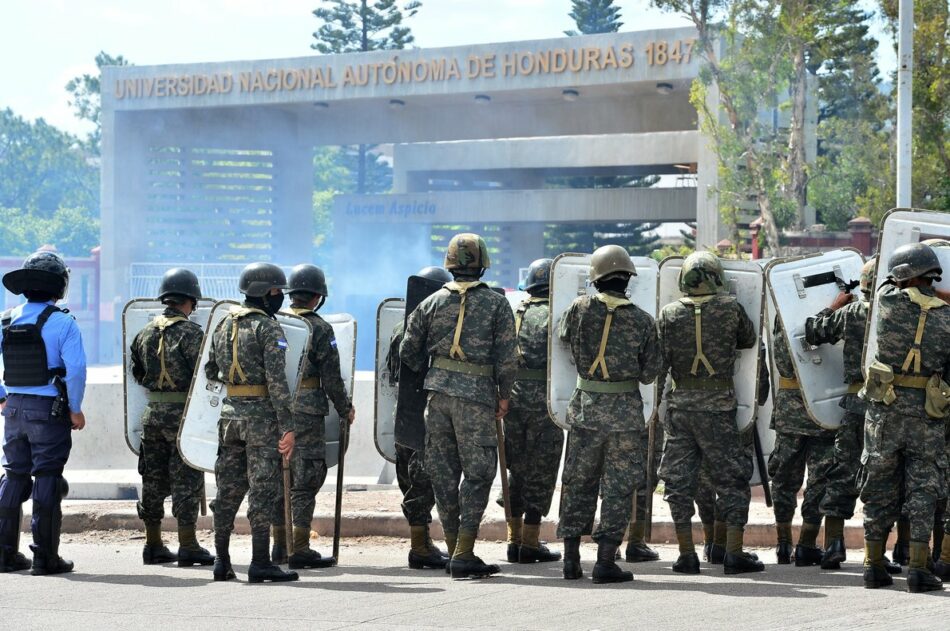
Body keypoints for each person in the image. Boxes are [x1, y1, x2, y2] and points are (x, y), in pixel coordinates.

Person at [399, 233, 518, 578]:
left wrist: (436, 369)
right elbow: (508, 358)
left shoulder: (431, 302)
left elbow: (408, 352)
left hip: (436, 398)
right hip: (477, 399)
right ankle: (464, 553)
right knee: (478, 474)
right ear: (482, 263)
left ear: (450, 263)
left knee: (443, 475)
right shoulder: (496, 304)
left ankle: (454, 550)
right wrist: (504, 394)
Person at [557, 244, 660, 584]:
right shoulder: (643, 321)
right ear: (627, 280)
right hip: (625, 418)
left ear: (596, 279)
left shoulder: (579, 308)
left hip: (586, 411)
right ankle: (604, 563)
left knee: (577, 483)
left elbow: (563, 338)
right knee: (618, 489)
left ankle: (570, 560)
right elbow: (649, 374)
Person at [657, 251, 763, 575]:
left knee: (678, 481)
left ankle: (686, 553)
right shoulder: (730, 308)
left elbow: (659, 364)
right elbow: (749, 339)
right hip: (718, 407)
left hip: (681, 409)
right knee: (731, 479)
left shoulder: (669, 314)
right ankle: (733, 552)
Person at [861, 243, 950, 593]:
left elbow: (880, 286)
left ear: (902, 276)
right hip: (928, 417)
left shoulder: (885, 304)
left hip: (885, 411)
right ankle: (917, 568)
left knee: (879, 485)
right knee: (924, 489)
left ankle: (873, 564)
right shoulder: (946, 317)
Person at [204, 262, 297, 583]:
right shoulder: (268, 328)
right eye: (276, 291)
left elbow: (210, 371)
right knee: (263, 489)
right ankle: (259, 562)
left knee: (227, 489)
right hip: (261, 421)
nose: (279, 297)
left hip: (230, 418)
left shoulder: (223, 325)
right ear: (264, 293)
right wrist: (287, 426)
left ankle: (221, 560)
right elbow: (277, 383)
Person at [0, 251, 86, 575]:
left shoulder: (6, 319)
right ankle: (45, 557)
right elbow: (75, 371)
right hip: (48, 410)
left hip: (13, 409)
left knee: (13, 476)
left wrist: (2, 398)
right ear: (59, 286)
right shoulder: (63, 322)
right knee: (47, 477)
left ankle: (5, 554)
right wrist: (76, 410)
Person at [271, 264, 355, 569]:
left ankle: (279, 545)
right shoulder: (319, 328)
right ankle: (300, 547)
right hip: (307, 411)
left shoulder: (273, 323)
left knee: (280, 475)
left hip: (275, 411)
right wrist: (345, 408)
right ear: (318, 296)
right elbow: (332, 377)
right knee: (305, 479)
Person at [129, 268, 214, 567]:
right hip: (183, 418)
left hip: (152, 417)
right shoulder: (192, 334)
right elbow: (207, 377)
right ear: (189, 300)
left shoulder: (145, 333)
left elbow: (137, 374)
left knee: (151, 480)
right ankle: (188, 544)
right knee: (187, 479)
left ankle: (152, 544)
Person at [386, 266, 452, 570]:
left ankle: (421, 543)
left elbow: (392, 374)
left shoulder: (401, 328)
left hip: (405, 414)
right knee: (423, 481)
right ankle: (421, 548)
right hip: (428, 414)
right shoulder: (438, 327)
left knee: (411, 481)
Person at [504, 258, 563, 564]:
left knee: (517, 469)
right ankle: (530, 540)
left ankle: (513, 540)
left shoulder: (513, 311)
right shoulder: (555, 313)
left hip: (511, 401)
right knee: (541, 471)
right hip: (544, 403)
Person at [767, 317, 836, 566]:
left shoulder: (786, 312)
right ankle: (802, 544)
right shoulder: (831, 316)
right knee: (816, 477)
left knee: (788, 477)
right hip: (820, 407)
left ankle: (787, 543)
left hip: (797, 410)